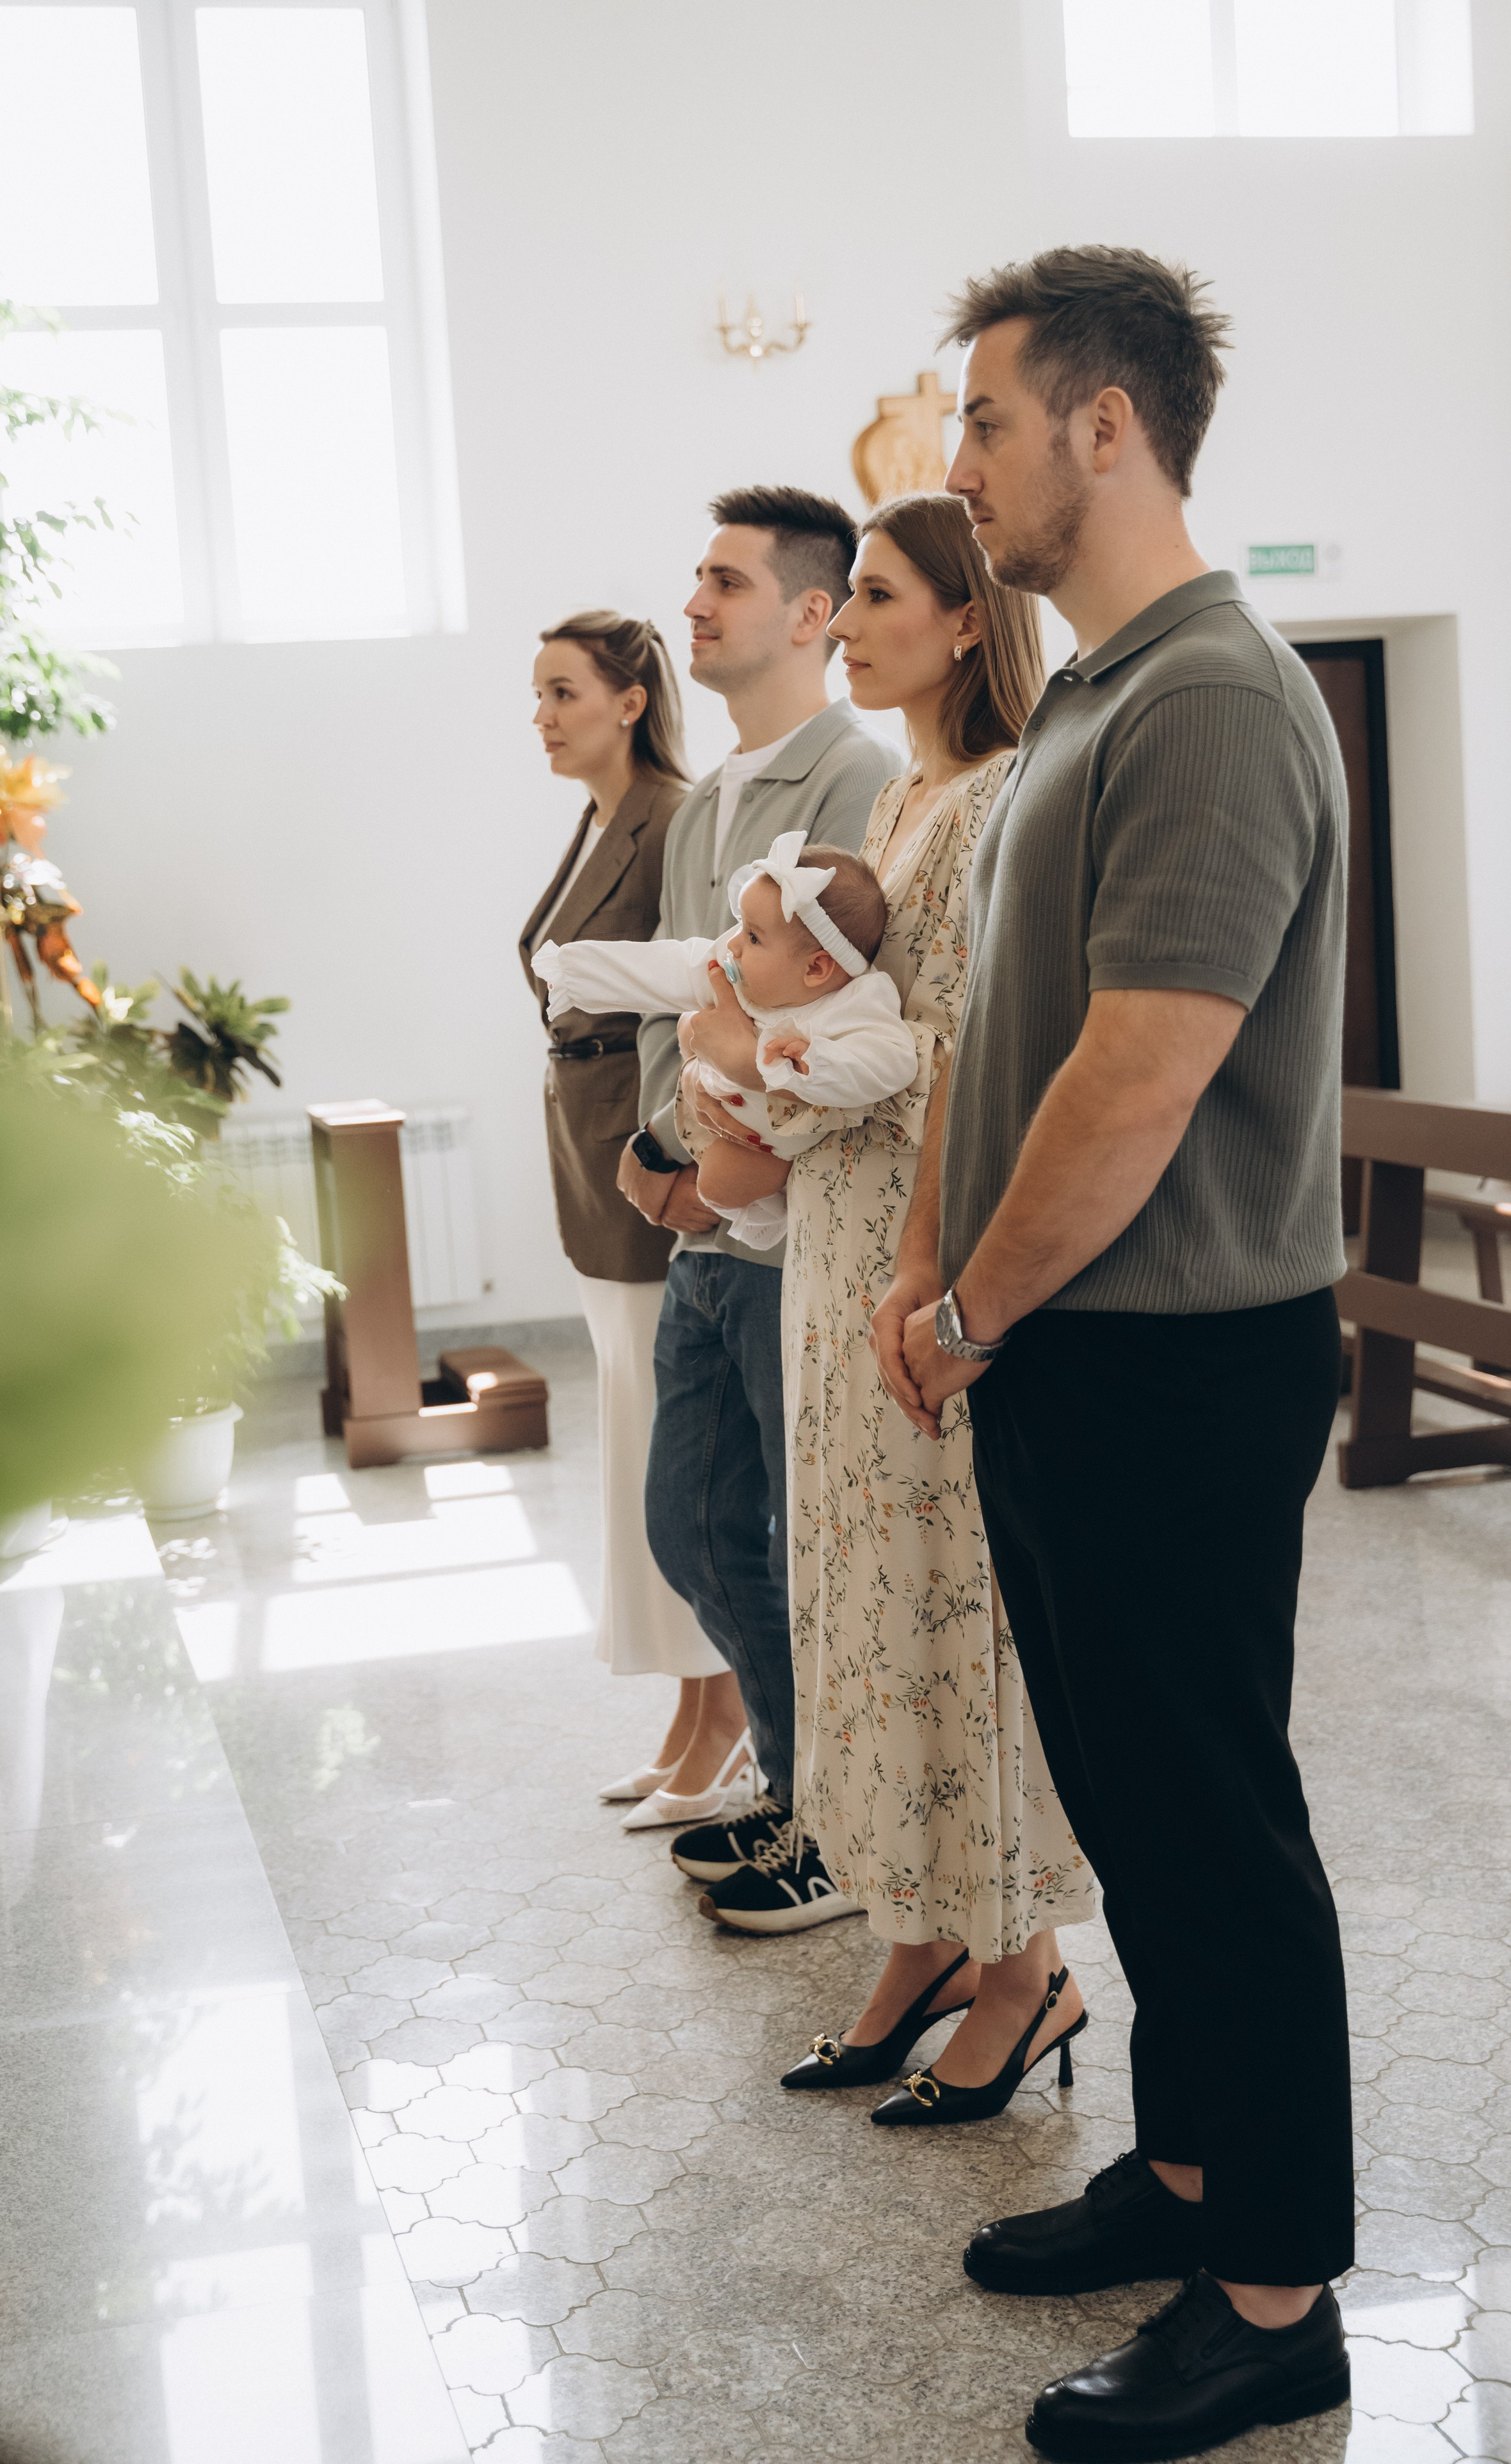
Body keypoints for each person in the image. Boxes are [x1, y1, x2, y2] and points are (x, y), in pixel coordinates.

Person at [877, 247, 1353, 2458]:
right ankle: (1180, 2172)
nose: (957, 463)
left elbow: (1144, 1070)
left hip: (1174, 1351)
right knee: (1137, 1812)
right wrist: (936, 1268)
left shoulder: (1215, 695)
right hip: (1070, 1346)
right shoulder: (1087, 694)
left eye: (983, 420)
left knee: (1210, 1821)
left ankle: (1272, 2296)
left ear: (1103, 423)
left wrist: (974, 1302)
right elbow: (999, 1028)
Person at [686, 492, 1099, 2128]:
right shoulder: (900, 788)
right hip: (832, 1245)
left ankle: (1022, 1969)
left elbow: (977, 1046)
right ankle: (914, 1939)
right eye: (845, 594)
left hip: (919, 1254)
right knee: (859, 1602)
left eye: (873, 595)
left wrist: (773, 1070)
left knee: (949, 1614)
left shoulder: (998, 792)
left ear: (964, 617)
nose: (844, 623)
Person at [616, 485, 903, 1869]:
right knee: (690, 1524)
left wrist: (719, 1170)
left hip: (786, 1235)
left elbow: (838, 1021)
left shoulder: (859, 780)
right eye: (697, 578)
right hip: (699, 1224)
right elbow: (678, 1005)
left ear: (809, 613)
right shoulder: (699, 811)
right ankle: (796, 1784)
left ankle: (822, 1817)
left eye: (724, 581)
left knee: (799, 1543)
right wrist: (656, 1155)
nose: (693, 603)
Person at [518, 610, 739, 1815]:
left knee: (675, 1455)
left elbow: (700, 988)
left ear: (631, 700)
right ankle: (692, 1708)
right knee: (636, 1438)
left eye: (564, 692)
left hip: (640, 1160)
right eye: (540, 695)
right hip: (587, 1159)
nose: (543, 717)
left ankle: (727, 1712)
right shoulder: (602, 819)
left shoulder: (672, 815)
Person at [535, 832, 912, 1249]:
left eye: (753, 936)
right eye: (741, 927)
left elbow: (894, 1059)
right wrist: (575, 974)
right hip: (713, 1095)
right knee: (689, 1024)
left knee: (716, 1186)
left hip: (765, 1143)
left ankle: (766, 1208)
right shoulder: (737, 968)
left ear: (816, 969)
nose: (733, 943)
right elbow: (665, 968)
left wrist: (817, 1063)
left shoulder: (859, 1002)